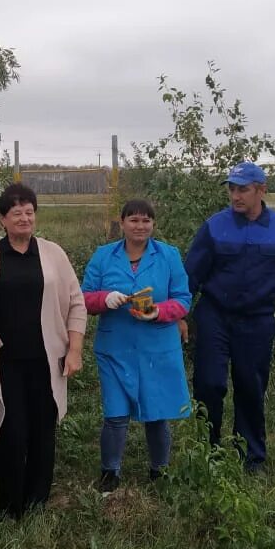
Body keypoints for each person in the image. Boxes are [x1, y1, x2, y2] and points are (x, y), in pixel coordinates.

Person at [0, 183, 87, 517]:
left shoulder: (53, 254)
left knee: (43, 429)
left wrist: (74, 349)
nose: (24, 217)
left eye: (29, 211)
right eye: (16, 212)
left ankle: (37, 498)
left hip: (48, 360)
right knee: (11, 429)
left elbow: (77, 303)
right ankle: (10, 502)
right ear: (2, 219)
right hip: (6, 363)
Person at [184, 162, 275, 473]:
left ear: (261, 190)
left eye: (243, 189)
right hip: (214, 315)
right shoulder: (215, 226)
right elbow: (191, 274)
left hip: (257, 319)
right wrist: (180, 314)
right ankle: (207, 451)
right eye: (232, 189)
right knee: (209, 383)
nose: (236, 196)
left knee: (251, 387)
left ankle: (250, 457)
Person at [82, 198, 192, 492]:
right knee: (115, 414)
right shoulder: (104, 256)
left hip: (157, 347)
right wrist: (103, 299)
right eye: (133, 220)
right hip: (115, 347)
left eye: (146, 220)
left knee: (156, 415)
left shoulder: (168, 255)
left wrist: (158, 312)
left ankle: (160, 471)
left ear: (153, 224)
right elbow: (82, 297)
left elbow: (183, 299)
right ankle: (110, 473)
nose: (140, 226)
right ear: (121, 223)